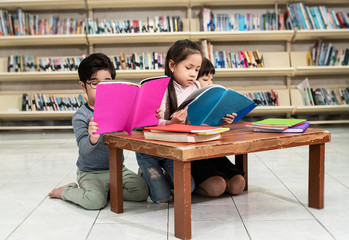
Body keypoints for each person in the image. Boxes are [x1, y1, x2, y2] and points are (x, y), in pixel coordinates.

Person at [48, 53, 148, 210]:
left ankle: (106, 191)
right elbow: (84, 149)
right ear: (83, 85)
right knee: (94, 202)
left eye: (107, 83)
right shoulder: (81, 116)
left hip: (117, 168)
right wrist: (92, 138)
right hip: (90, 172)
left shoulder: (119, 109)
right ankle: (66, 191)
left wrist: (149, 116)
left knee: (141, 192)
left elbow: (136, 128)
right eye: (95, 83)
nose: (101, 89)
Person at [192, 57, 246, 197]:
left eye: (211, 79)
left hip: (213, 152)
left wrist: (224, 122)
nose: (210, 83)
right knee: (217, 186)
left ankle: (220, 181)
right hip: (195, 155)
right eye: (205, 79)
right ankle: (190, 187)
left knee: (238, 184)